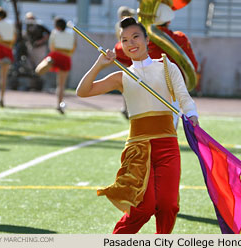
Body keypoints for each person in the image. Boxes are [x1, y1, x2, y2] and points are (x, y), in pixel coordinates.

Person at [76, 17, 199, 234]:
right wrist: (99, 64)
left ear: (146, 39)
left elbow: (184, 98)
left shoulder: (167, 67)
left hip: (167, 145)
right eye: (124, 40)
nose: (131, 43)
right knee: (143, 208)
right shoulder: (122, 76)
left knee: (168, 205)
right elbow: (82, 92)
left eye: (135, 37)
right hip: (138, 148)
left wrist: (192, 115)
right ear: (121, 46)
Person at [35, 17, 76, 114]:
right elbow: (74, 46)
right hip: (66, 57)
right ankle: (59, 104)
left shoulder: (54, 32)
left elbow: (51, 46)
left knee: (38, 70)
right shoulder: (72, 33)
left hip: (56, 54)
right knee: (61, 85)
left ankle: (48, 63)